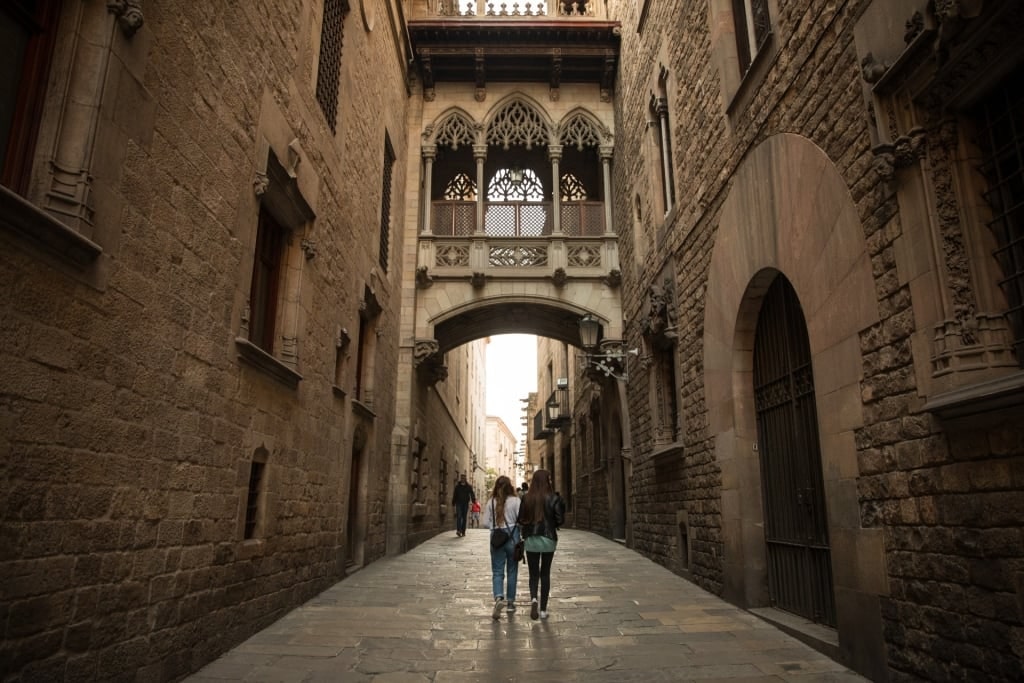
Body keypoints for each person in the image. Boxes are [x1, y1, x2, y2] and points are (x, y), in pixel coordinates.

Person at [517, 469, 565, 620]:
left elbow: (520, 519)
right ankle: (543, 610)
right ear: (547, 481)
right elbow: (560, 519)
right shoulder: (553, 498)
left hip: (531, 540)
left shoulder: (526, 498)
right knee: (545, 573)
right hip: (548, 539)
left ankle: (533, 599)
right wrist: (552, 523)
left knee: (533, 574)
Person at [481, 475, 521, 620]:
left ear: (496, 487)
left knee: (497, 571)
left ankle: (498, 598)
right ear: (510, 486)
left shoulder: (491, 502)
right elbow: (521, 519)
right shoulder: (516, 501)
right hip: (512, 538)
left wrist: (496, 524)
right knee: (512, 570)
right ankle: (510, 603)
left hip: (496, 539)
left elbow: (485, 523)